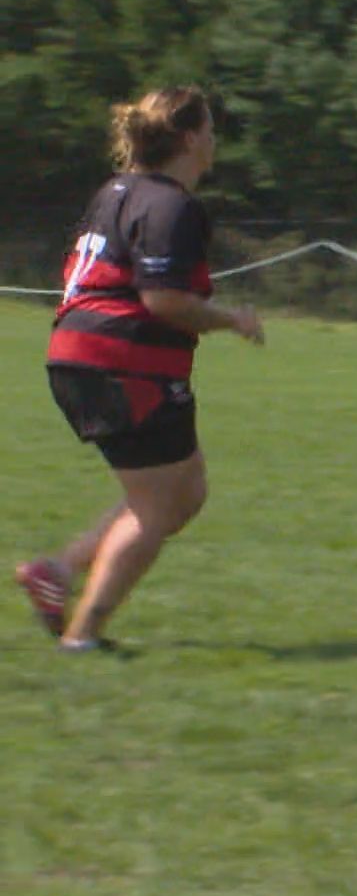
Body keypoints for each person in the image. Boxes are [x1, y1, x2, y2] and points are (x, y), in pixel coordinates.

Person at [16, 86, 266, 651]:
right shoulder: (173, 206)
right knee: (157, 506)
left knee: (185, 490)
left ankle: (56, 573)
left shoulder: (117, 191)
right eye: (208, 128)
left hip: (80, 354)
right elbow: (164, 302)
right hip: (124, 364)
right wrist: (234, 320)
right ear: (187, 138)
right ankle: (83, 636)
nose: (214, 139)